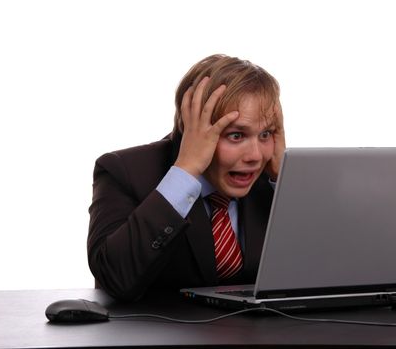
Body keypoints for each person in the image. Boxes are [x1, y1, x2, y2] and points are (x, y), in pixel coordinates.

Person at [87, 54, 285, 301]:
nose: (256, 155)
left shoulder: (272, 182)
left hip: (265, 338)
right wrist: (186, 171)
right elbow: (114, 278)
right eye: (236, 136)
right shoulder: (124, 171)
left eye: (265, 134)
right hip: (160, 337)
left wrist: (286, 185)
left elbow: (323, 274)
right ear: (190, 129)